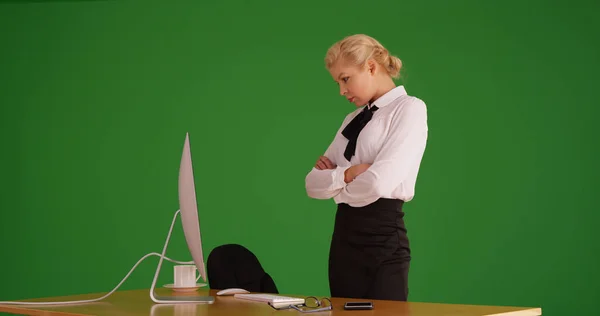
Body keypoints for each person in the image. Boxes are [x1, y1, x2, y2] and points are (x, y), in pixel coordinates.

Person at [304, 34, 428, 301]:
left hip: (383, 238)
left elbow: (378, 184)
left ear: (371, 67)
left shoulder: (409, 109)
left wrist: (335, 185)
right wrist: (348, 173)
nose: (341, 90)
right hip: (344, 239)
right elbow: (312, 184)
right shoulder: (352, 119)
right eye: (337, 82)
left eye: (345, 79)